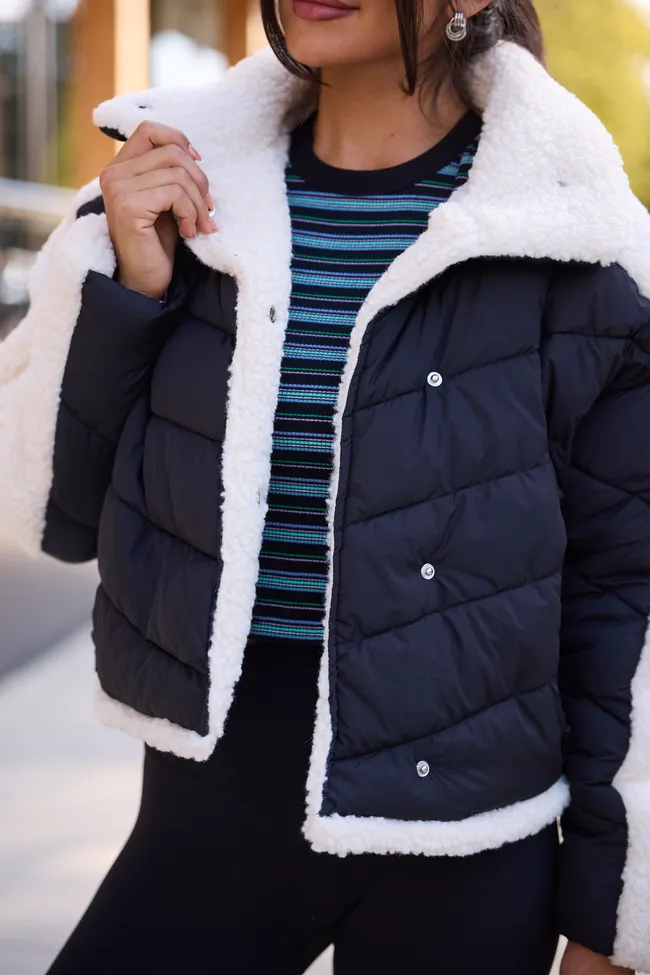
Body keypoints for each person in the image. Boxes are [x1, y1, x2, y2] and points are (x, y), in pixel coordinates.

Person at [0, 0, 648, 972]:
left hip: (469, 846)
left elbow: (625, 600)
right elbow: (49, 515)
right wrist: (127, 291)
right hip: (208, 808)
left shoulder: (577, 242)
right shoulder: (172, 195)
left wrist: (613, 920)